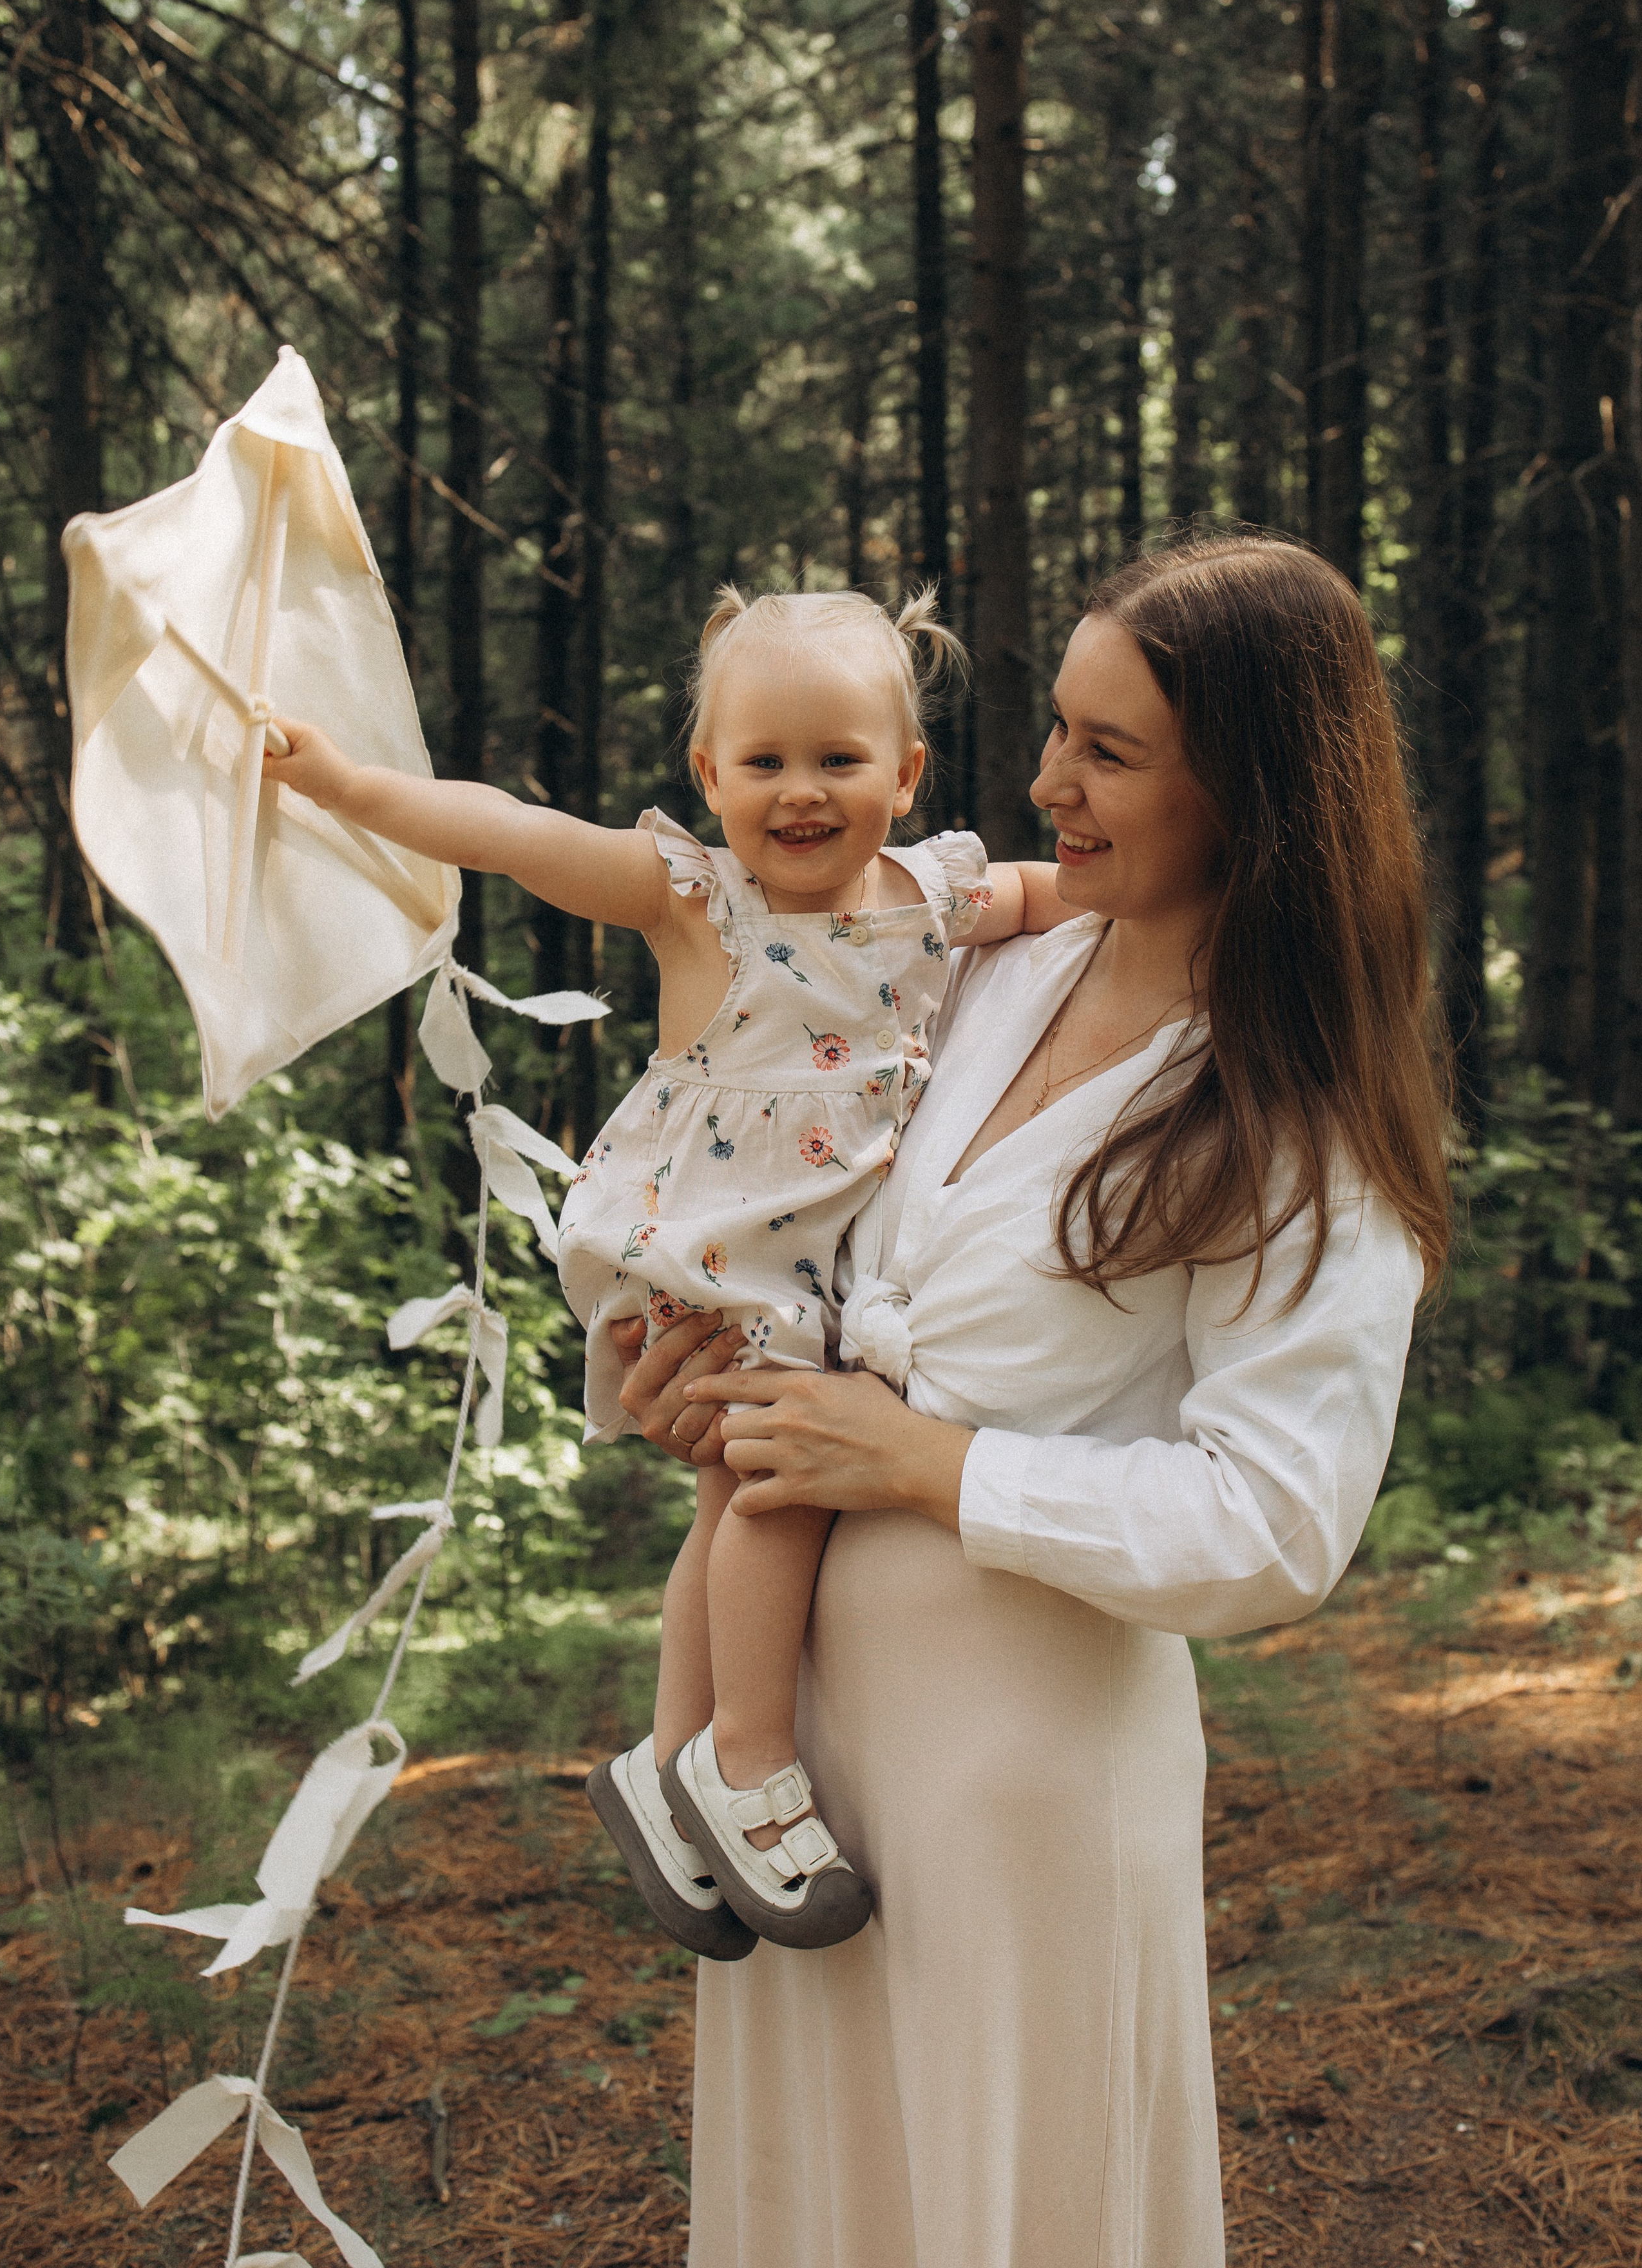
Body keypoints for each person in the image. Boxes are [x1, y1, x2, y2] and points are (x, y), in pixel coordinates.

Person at [611, 536, 1451, 2268]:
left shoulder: (1293, 1114)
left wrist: (927, 1464)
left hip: (1025, 1779)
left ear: (1258, 790)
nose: (1045, 781)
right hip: (799, 1775)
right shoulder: (979, 970)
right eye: (1059, 728)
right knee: (818, 2206)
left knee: (1008, 2205)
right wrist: (685, 1377)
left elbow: (1276, 1524)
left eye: (1110, 751)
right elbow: (799, 1229)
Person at [261, 584, 1068, 1963]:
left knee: (729, 1498)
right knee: (783, 1480)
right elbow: (515, 837)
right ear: (706, 776)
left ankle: (667, 1755)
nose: (799, 794)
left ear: (906, 773)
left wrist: (1208, 886)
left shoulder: (934, 896)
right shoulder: (698, 896)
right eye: (761, 763)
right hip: (699, 1242)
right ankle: (744, 1756)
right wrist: (340, 781)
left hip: (804, 1260)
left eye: (837, 760)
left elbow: (1075, 892)